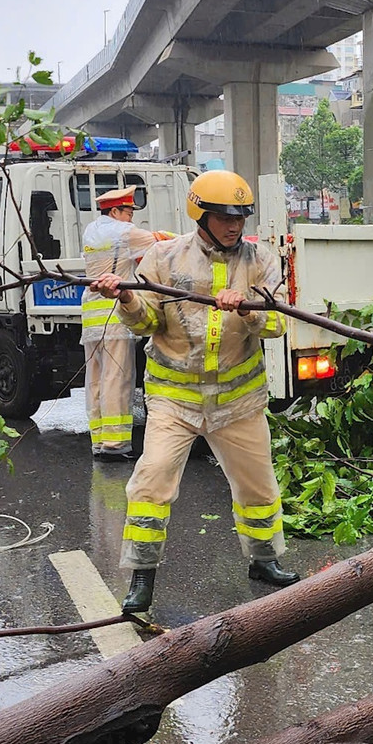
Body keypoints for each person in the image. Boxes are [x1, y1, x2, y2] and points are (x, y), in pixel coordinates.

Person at [89, 169, 302, 614]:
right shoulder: (165, 258)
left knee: (258, 487)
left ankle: (264, 561)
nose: (234, 225)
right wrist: (125, 299)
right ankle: (142, 578)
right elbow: (147, 322)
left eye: (240, 217)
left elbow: (279, 323)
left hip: (239, 400)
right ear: (200, 214)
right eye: (224, 217)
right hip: (175, 400)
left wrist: (246, 310)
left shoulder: (260, 260)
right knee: (150, 485)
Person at [80, 186, 167, 459]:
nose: (131, 218)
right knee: (117, 379)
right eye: (128, 212)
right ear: (115, 210)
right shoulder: (123, 232)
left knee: (95, 379)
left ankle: (98, 440)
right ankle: (115, 445)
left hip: (91, 315)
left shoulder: (91, 231)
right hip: (114, 315)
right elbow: (161, 241)